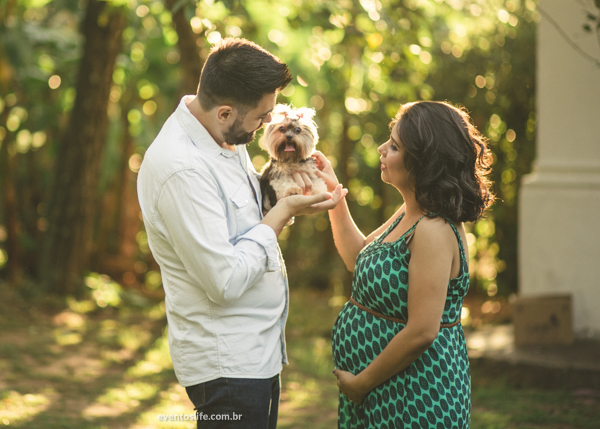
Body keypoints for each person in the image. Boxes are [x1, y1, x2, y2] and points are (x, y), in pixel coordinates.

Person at [137, 38, 346, 429]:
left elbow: (244, 216)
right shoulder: (182, 167)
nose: (266, 125)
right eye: (261, 117)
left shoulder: (223, 135)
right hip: (228, 367)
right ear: (226, 112)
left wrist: (290, 188)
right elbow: (225, 280)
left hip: (257, 352)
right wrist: (283, 212)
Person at [315, 101, 494, 428]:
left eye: (395, 146)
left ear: (423, 162)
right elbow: (360, 259)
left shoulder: (433, 228)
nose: (382, 149)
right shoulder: (410, 211)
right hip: (380, 390)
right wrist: (333, 192)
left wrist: (361, 383)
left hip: (415, 395)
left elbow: (422, 332)